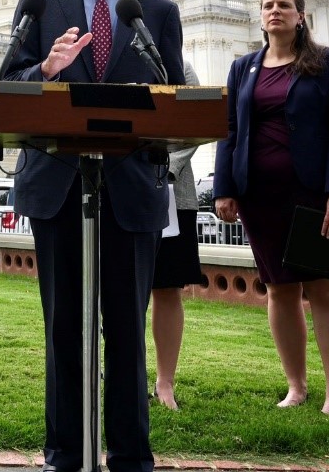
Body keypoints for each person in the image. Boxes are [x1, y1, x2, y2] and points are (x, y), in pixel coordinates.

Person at [2, 0, 184, 472]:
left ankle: (130, 456)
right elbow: (8, 88)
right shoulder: (38, 2)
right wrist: (45, 70)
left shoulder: (152, 11)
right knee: (64, 329)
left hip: (131, 186)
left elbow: (174, 96)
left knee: (127, 330)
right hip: (58, 184)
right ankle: (66, 454)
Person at [213, 0, 329, 416]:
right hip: (260, 194)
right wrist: (225, 188)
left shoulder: (326, 63)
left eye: (284, 5)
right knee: (279, 289)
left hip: (311, 192)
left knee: (324, 288)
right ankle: (296, 386)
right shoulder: (243, 68)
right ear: (260, 16)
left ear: (301, 15)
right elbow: (229, 131)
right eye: (268, 5)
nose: (275, 11)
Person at [150, 62, 208, 411]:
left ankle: (165, 383)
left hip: (171, 192)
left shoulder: (180, 67)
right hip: (116, 189)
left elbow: (196, 121)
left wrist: (158, 169)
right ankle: (123, 377)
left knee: (167, 288)